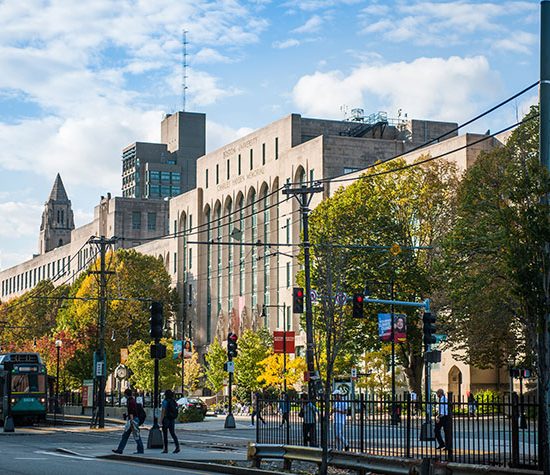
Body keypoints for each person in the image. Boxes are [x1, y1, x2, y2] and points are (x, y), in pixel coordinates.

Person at [112, 388, 144, 454]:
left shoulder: (130, 401)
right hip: (133, 419)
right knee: (130, 435)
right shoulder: (132, 400)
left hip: (133, 420)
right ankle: (120, 449)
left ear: (126, 394)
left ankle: (139, 449)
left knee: (134, 435)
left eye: (124, 394)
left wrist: (131, 421)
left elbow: (131, 412)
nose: (124, 396)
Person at [161, 389, 180, 454]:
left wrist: (161, 420)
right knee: (173, 433)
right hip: (172, 418)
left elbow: (163, 411)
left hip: (166, 419)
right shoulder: (173, 401)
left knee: (165, 434)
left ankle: (165, 449)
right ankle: (177, 447)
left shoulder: (165, 401)